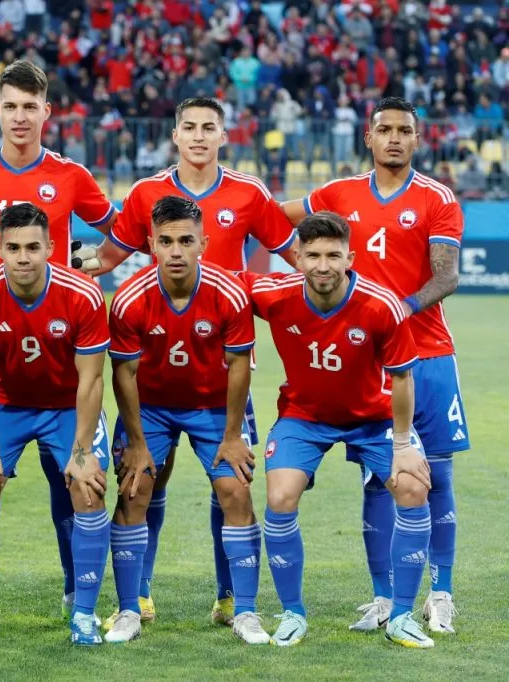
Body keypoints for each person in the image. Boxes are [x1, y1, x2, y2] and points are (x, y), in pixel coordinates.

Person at [80, 96, 297, 630]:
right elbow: (107, 257)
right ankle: (140, 595)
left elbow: (297, 256)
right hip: (155, 368)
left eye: (209, 128)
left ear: (224, 135)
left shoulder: (249, 192)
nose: (199, 136)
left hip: (221, 361)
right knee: (145, 478)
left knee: (229, 481)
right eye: (189, 128)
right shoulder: (147, 194)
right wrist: (63, 270)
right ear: (175, 136)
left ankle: (231, 598)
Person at [0, 58, 118, 623]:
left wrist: (98, 264)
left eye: (30, 107)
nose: (19, 116)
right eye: (9, 106)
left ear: (47, 112)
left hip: (59, 347)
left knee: (73, 484)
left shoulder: (71, 176)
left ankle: (74, 590)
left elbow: (122, 229)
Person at [282, 96, 467, 634]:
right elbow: (276, 219)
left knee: (436, 472)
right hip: (364, 361)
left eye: (403, 131)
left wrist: (396, 310)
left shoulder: (437, 198)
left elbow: (446, 276)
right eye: (383, 129)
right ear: (368, 136)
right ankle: (385, 597)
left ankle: (443, 592)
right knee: (376, 476)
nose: (393, 138)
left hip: (427, 352)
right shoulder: (338, 194)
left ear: (416, 138)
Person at [240, 211, 434, 648]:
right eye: (311, 255)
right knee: (279, 495)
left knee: (412, 486)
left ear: (350, 256)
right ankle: (293, 613)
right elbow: (217, 278)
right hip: (304, 417)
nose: (322, 265)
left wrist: (403, 446)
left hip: (375, 419)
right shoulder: (273, 294)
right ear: (297, 257)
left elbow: (403, 378)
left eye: (332, 255)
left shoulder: (381, 304)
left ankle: (401, 614)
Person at [105, 196, 267, 645]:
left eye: (186, 241)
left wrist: (233, 435)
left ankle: (244, 610)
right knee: (134, 489)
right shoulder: (129, 299)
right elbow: (124, 373)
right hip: (151, 408)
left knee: (236, 490)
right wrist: (136, 443)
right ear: (152, 244)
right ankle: (128, 609)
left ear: (204, 243)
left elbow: (239, 366)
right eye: (166, 241)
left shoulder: (229, 293)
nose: (176, 251)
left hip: (212, 407)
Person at [0, 203, 111, 646]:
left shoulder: (83, 294)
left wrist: (81, 454)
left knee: (88, 487)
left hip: (67, 407)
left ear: (51, 248)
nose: (23, 257)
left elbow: (91, 380)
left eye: (33, 247)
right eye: (14, 248)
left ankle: (83, 613)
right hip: (7, 404)